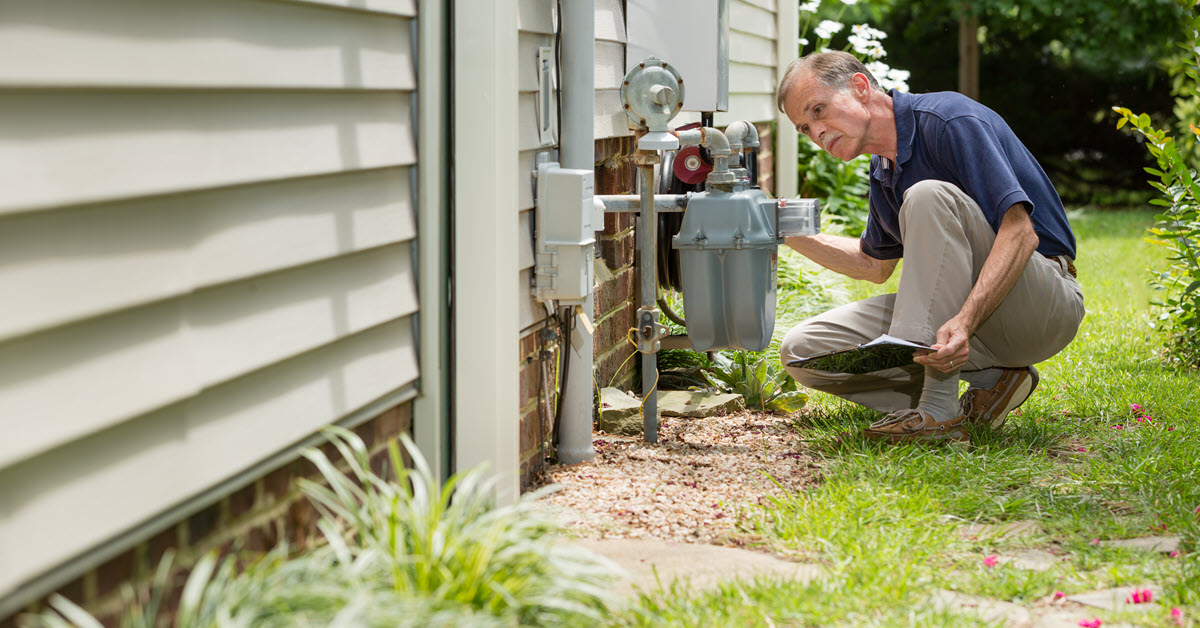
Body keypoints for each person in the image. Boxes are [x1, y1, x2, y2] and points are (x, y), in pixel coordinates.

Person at [774, 51, 1084, 443]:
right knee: (803, 351)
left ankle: (938, 410)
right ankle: (994, 380)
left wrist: (964, 320)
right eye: (804, 128)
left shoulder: (948, 120)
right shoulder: (883, 169)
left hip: (1040, 305)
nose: (816, 132)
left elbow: (1021, 233)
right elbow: (874, 265)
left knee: (927, 195)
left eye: (818, 110)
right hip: (974, 327)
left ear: (860, 87)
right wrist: (782, 230)